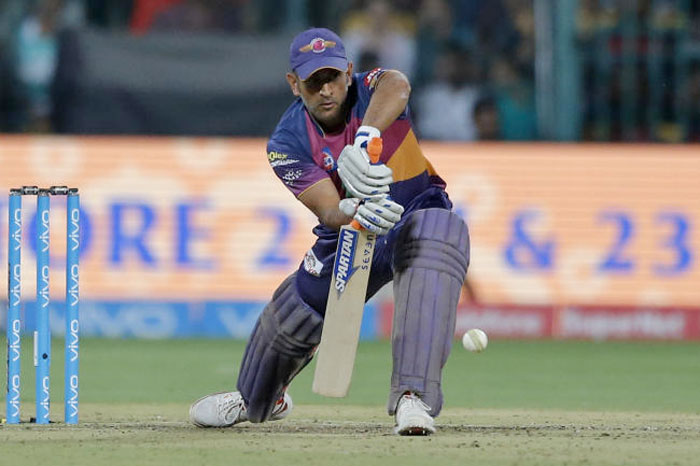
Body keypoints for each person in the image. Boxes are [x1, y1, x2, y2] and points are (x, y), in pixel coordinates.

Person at [189, 27, 470, 436]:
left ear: (349, 72)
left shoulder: (372, 90)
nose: (326, 90)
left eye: (333, 77)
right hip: (350, 232)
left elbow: (399, 84)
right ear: (293, 84)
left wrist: (366, 136)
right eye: (313, 81)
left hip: (413, 211)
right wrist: (352, 208)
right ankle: (257, 398)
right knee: (295, 312)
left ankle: (413, 398)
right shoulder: (286, 142)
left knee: (438, 236)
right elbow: (326, 208)